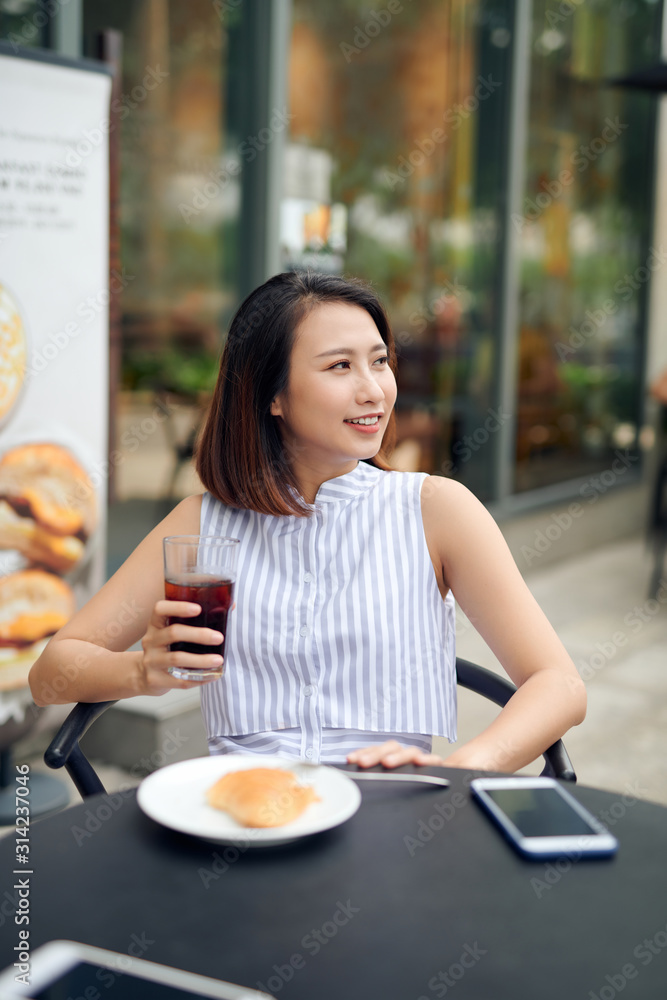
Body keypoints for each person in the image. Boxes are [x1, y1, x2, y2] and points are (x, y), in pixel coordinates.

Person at [29, 271, 586, 772]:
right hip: (244, 820)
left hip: (391, 815)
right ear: (272, 395)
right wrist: (139, 673)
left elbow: (559, 685)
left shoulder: (436, 510)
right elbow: (50, 673)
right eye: (340, 366)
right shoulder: (204, 521)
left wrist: (459, 771)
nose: (374, 389)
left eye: (380, 360)